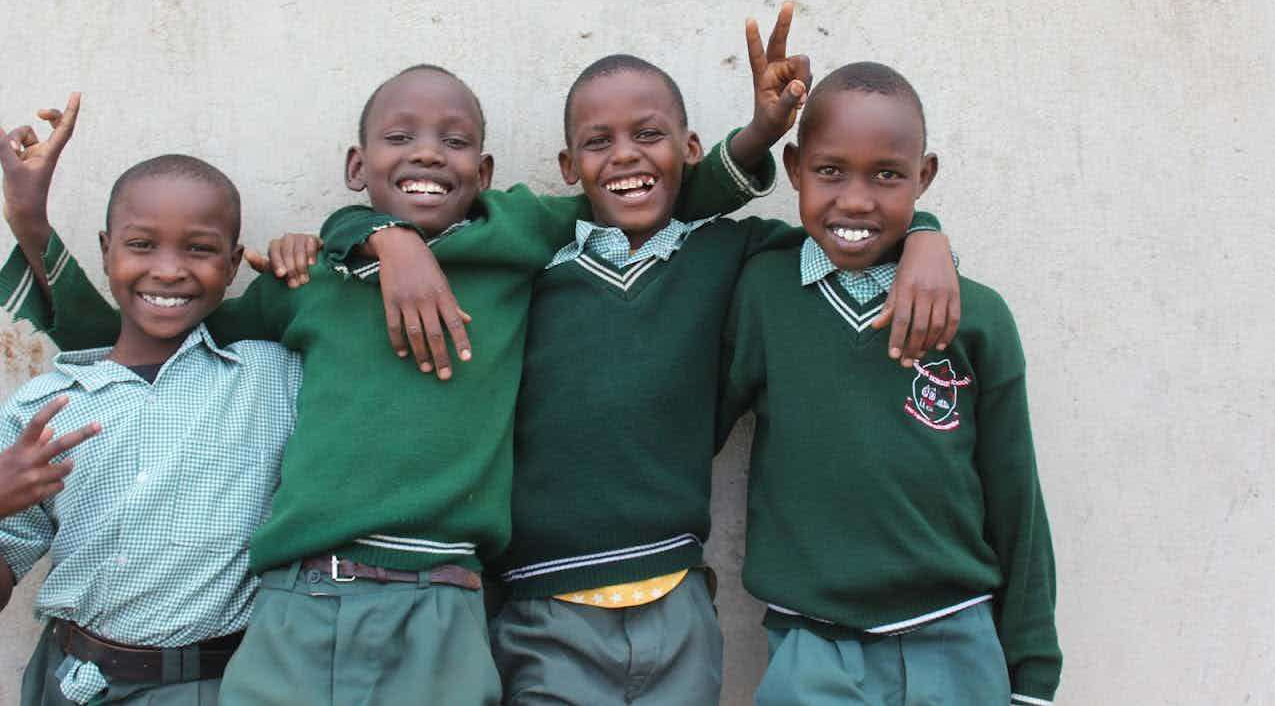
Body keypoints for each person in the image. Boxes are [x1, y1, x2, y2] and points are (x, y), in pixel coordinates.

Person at [3, 60, 773, 704]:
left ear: (488, 171)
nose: (429, 154)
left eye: (455, 140)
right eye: (400, 137)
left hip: (444, 599)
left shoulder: (520, 240)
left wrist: (764, 138)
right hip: (301, 598)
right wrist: (373, 236)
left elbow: (650, 191)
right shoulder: (313, 283)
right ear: (355, 166)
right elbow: (158, 334)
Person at [323, 8, 961, 705]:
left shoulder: (726, 255)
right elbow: (416, 225)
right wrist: (373, 234)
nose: (625, 155)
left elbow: (846, 235)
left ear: (688, 150)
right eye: (599, 142)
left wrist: (925, 234)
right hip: (541, 604)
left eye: (648, 135)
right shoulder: (531, 257)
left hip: (676, 601)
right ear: (569, 167)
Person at [719, 62, 1061, 705]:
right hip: (811, 646)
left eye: (887, 175)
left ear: (923, 177)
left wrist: (1033, 671)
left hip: (958, 639)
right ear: (793, 169)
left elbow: (1018, 499)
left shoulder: (977, 317)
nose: (855, 199)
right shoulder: (763, 291)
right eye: (829, 171)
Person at [0, 97, 300, 705]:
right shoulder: (45, 406)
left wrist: (327, 248)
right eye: (141, 245)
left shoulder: (271, 375)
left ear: (235, 262)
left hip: (218, 684)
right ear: (107, 249)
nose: (167, 270)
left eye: (198, 248)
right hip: (71, 681)